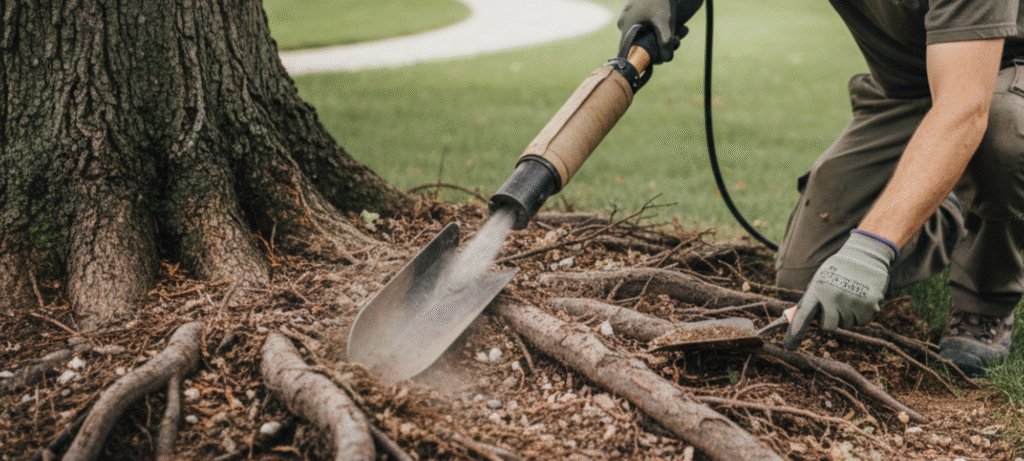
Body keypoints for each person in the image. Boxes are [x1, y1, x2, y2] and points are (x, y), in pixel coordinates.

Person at [618, 0, 1024, 377]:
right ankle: (945, 193)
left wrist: (870, 248)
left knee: (1004, 141)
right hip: (903, 89)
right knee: (805, 275)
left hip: (996, 75)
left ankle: (984, 301)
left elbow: (963, 108)